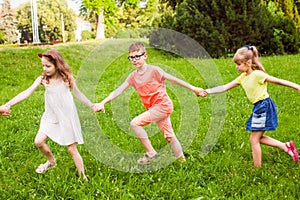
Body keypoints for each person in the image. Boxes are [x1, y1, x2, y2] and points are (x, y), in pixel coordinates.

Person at [95, 42, 204, 165]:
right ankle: (183, 162)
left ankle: (151, 153)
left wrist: (193, 88)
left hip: (163, 106)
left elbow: (173, 79)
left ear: (145, 56)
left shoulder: (154, 71)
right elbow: (118, 91)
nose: (134, 60)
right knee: (170, 136)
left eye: (138, 56)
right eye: (131, 57)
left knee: (135, 123)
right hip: (154, 108)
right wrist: (103, 102)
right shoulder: (132, 77)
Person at [3, 49, 96, 180]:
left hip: (66, 116)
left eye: (48, 66)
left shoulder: (66, 78)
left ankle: (83, 176)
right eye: (43, 65)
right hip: (51, 115)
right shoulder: (43, 79)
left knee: (71, 149)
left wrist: (92, 105)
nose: (45, 69)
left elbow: (78, 94)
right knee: (39, 141)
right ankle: (51, 161)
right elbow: (26, 92)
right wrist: (8, 105)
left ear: (57, 65)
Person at [202, 45, 300, 167]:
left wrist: (296, 86)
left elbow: (278, 81)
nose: (236, 67)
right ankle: (285, 146)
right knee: (257, 138)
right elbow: (225, 87)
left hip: (264, 106)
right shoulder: (242, 77)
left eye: (239, 64)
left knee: (254, 140)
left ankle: (257, 169)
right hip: (258, 108)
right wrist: (208, 91)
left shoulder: (258, 75)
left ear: (248, 62)